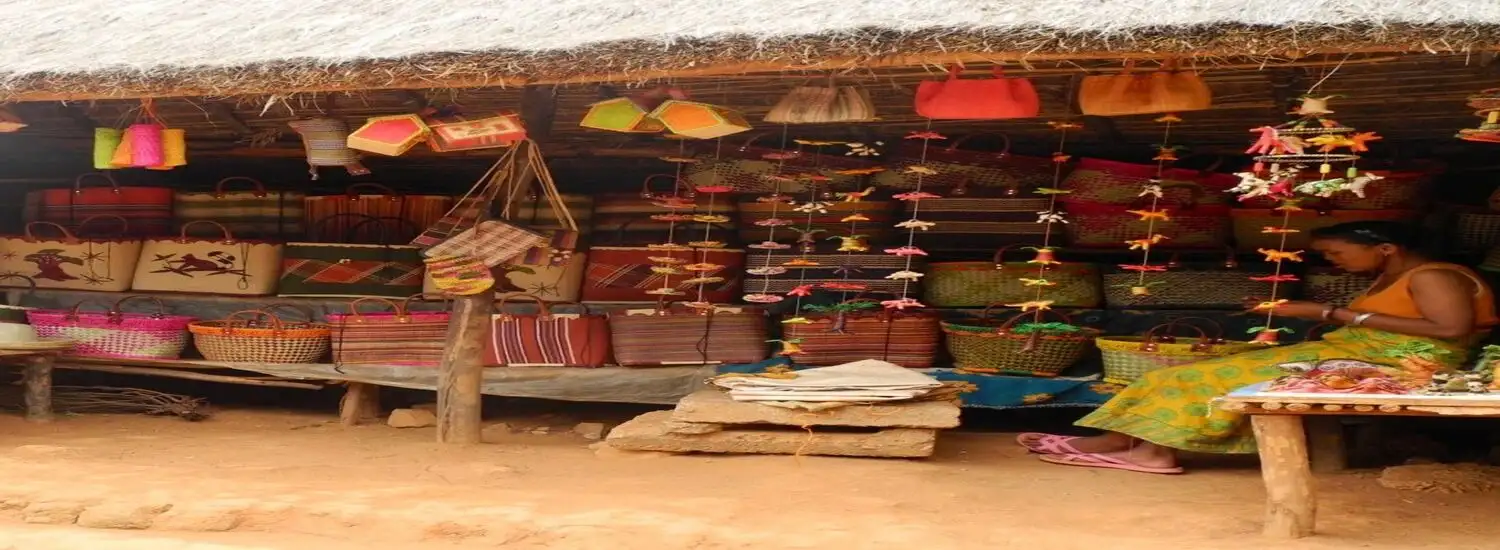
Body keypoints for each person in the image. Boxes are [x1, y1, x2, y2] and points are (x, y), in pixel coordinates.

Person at [1017, 221, 1497, 474]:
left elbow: (1451, 328)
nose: (1331, 260)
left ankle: (1151, 453)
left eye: (1336, 252)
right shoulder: (1393, 276)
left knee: (1192, 376)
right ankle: (1124, 441)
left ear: (1385, 247)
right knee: (1192, 370)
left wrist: (1329, 313)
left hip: (1401, 365)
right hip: (1362, 354)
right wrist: (1318, 317)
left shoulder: (1435, 276)